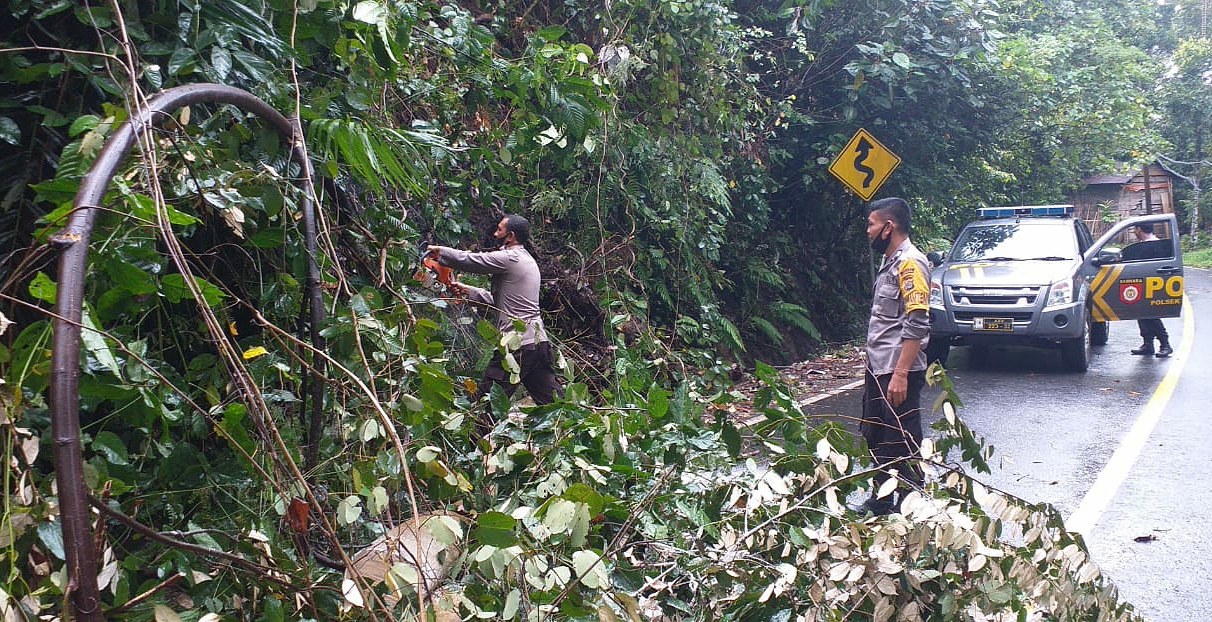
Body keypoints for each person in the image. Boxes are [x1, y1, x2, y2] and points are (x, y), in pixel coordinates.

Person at [427, 215, 562, 428]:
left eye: (499, 230)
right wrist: (470, 291)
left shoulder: (512, 258)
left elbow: (473, 260)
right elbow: (505, 303)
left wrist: (441, 252)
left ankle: (471, 452)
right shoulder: (525, 260)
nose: (495, 234)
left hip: (516, 348)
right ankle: (571, 435)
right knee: (555, 405)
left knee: (487, 403)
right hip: (537, 344)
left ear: (511, 236)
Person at [857, 197, 932, 516]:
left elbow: (917, 323)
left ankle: (911, 501)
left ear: (889, 227)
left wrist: (900, 374)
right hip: (879, 366)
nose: (869, 231)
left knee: (900, 435)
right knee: (876, 431)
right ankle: (883, 499)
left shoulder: (911, 263)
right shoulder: (890, 262)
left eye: (872, 224)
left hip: (897, 368)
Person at [1129, 223, 1173, 358]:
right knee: (1141, 313)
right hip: (1143, 283)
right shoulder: (1146, 244)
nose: (1134, 232)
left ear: (1139, 229)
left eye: (1134, 229)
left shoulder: (1153, 244)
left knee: (1151, 314)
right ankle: (1148, 344)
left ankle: (1165, 344)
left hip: (1153, 284)